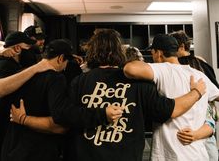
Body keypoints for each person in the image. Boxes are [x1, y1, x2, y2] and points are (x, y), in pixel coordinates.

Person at [11, 29, 207, 161]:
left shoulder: (80, 81)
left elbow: (62, 118)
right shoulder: (139, 84)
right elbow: (169, 110)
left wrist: (24, 119)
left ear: (92, 51)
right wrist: (197, 92)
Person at [0, 39, 123, 161]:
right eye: (67, 61)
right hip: (38, 150)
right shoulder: (56, 79)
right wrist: (102, 114)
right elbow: (60, 121)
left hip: (12, 146)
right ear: (60, 58)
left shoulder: (21, 74)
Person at [124, 34, 219, 161]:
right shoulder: (199, 75)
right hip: (198, 154)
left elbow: (130, 69)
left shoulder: (163, 69)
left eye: (153, 53)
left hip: (171, 155)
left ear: (158, 53)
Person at [0, 31, 37, 161]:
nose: (30, 51)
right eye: (28, 47)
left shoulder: (10, 64)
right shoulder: (4, 64)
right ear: (17, 48)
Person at [170, 30, 219, 161]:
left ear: (181, 47)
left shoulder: (176, 67)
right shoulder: (203, 64)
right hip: (205, 124)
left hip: (186, 123)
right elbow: (216, 94)